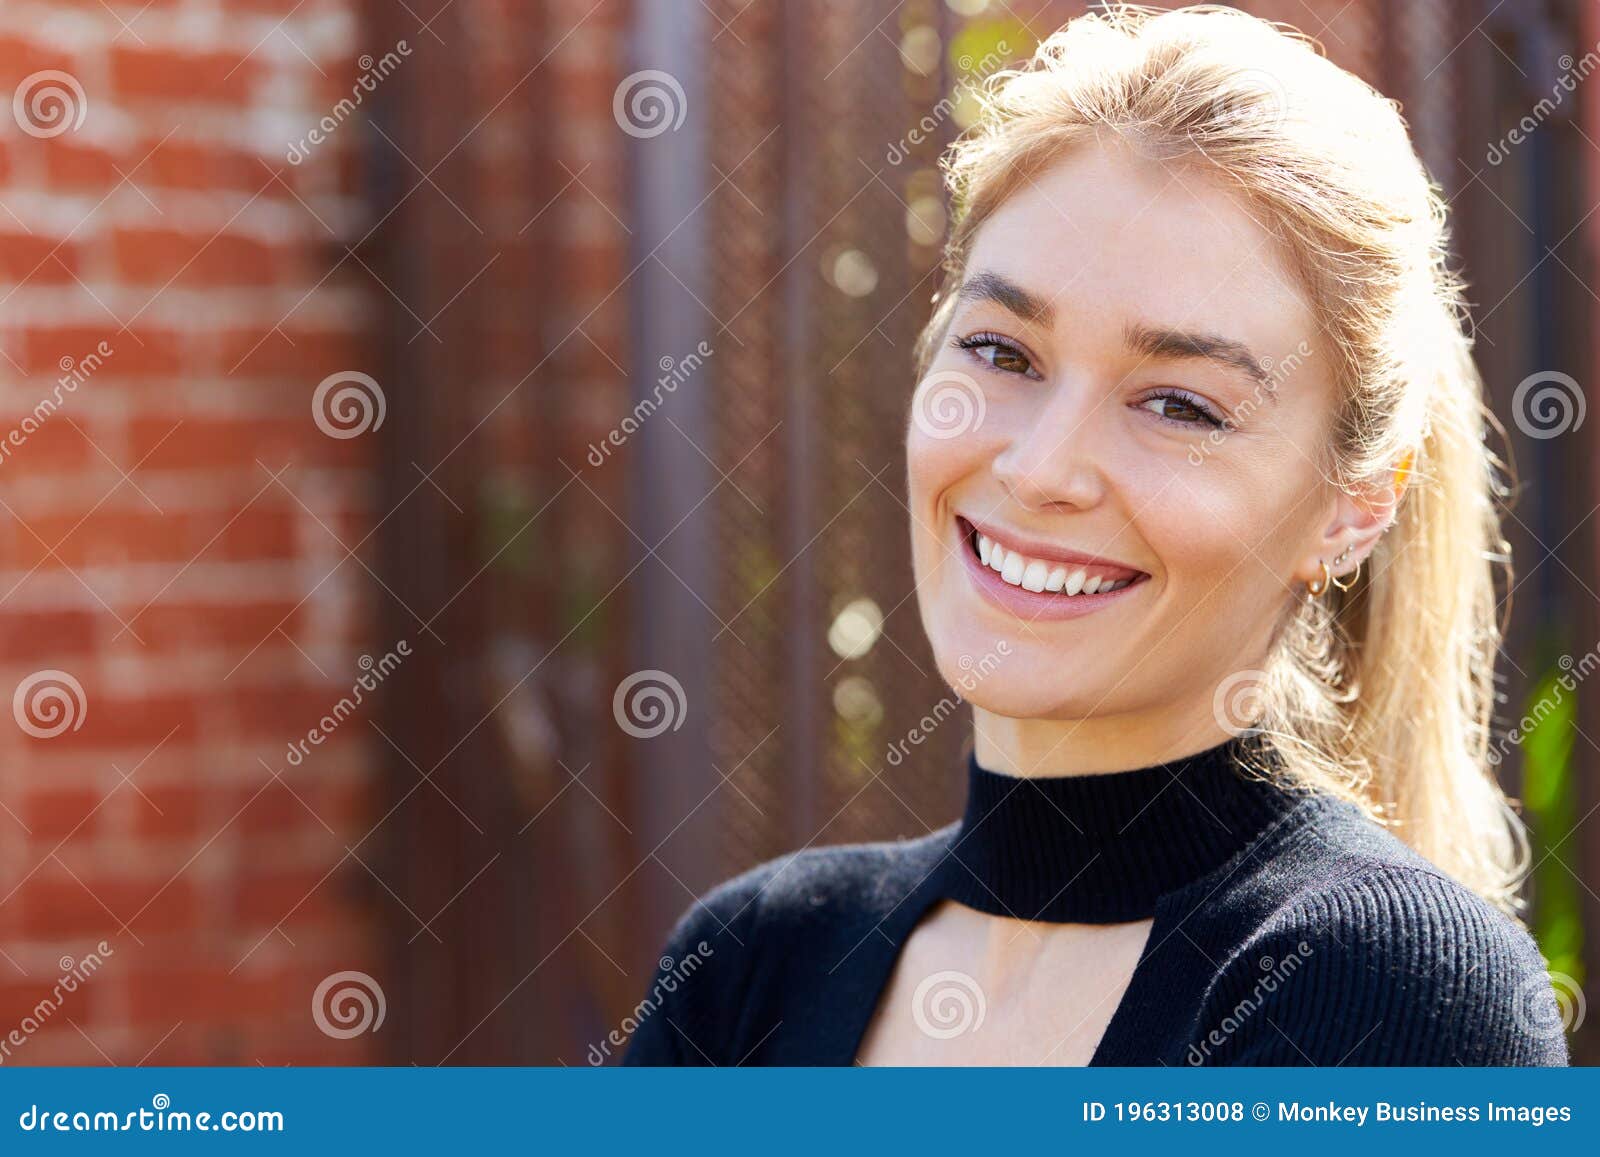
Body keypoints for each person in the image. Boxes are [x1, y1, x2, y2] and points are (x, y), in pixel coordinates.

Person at [623, 3, 1569, 1066]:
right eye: (1003, 351)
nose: (1038, 469)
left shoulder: (1380, 992)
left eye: (1177, 404)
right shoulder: (753, 965)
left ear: (1352, 505)